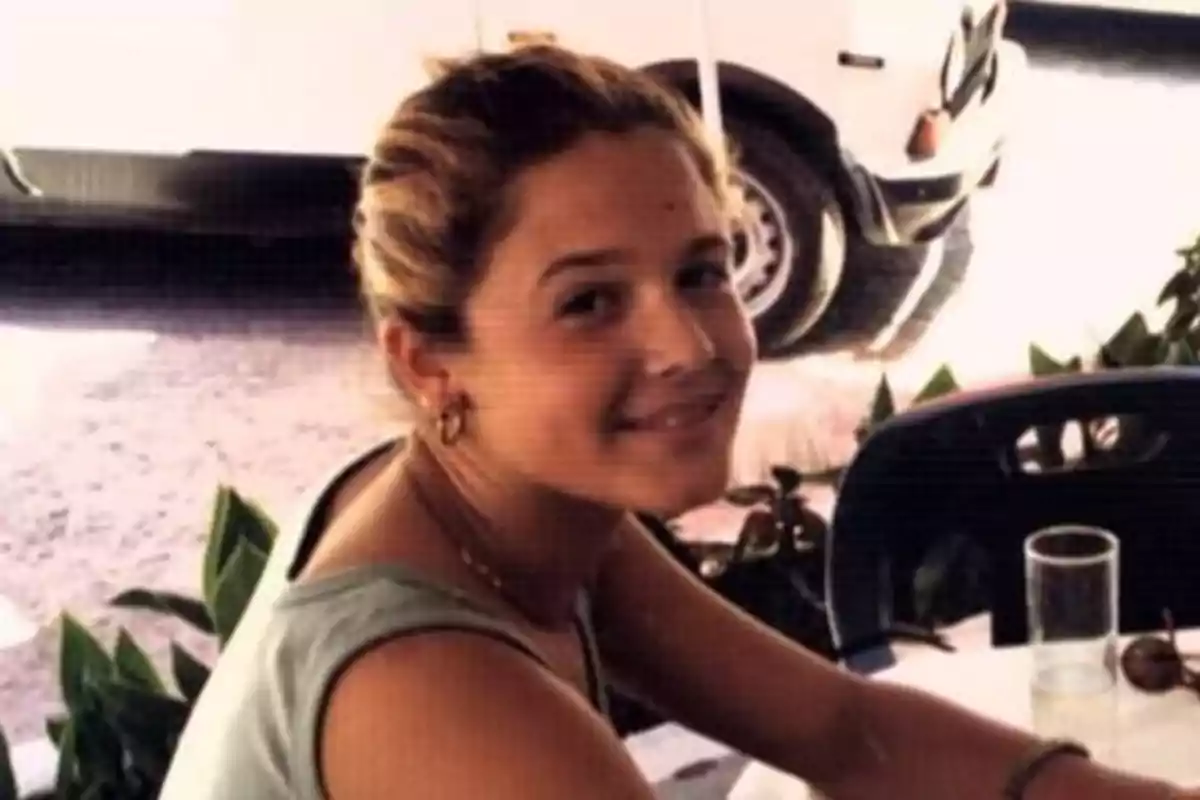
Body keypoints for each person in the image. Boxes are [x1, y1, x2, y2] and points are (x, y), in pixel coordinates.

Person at [162, 44, 1197, 799]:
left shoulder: (514, 505)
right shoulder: (427, 687)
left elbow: (842, 727)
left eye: (702, 272)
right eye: (588, 302)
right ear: (429, 361)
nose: (693, 346)